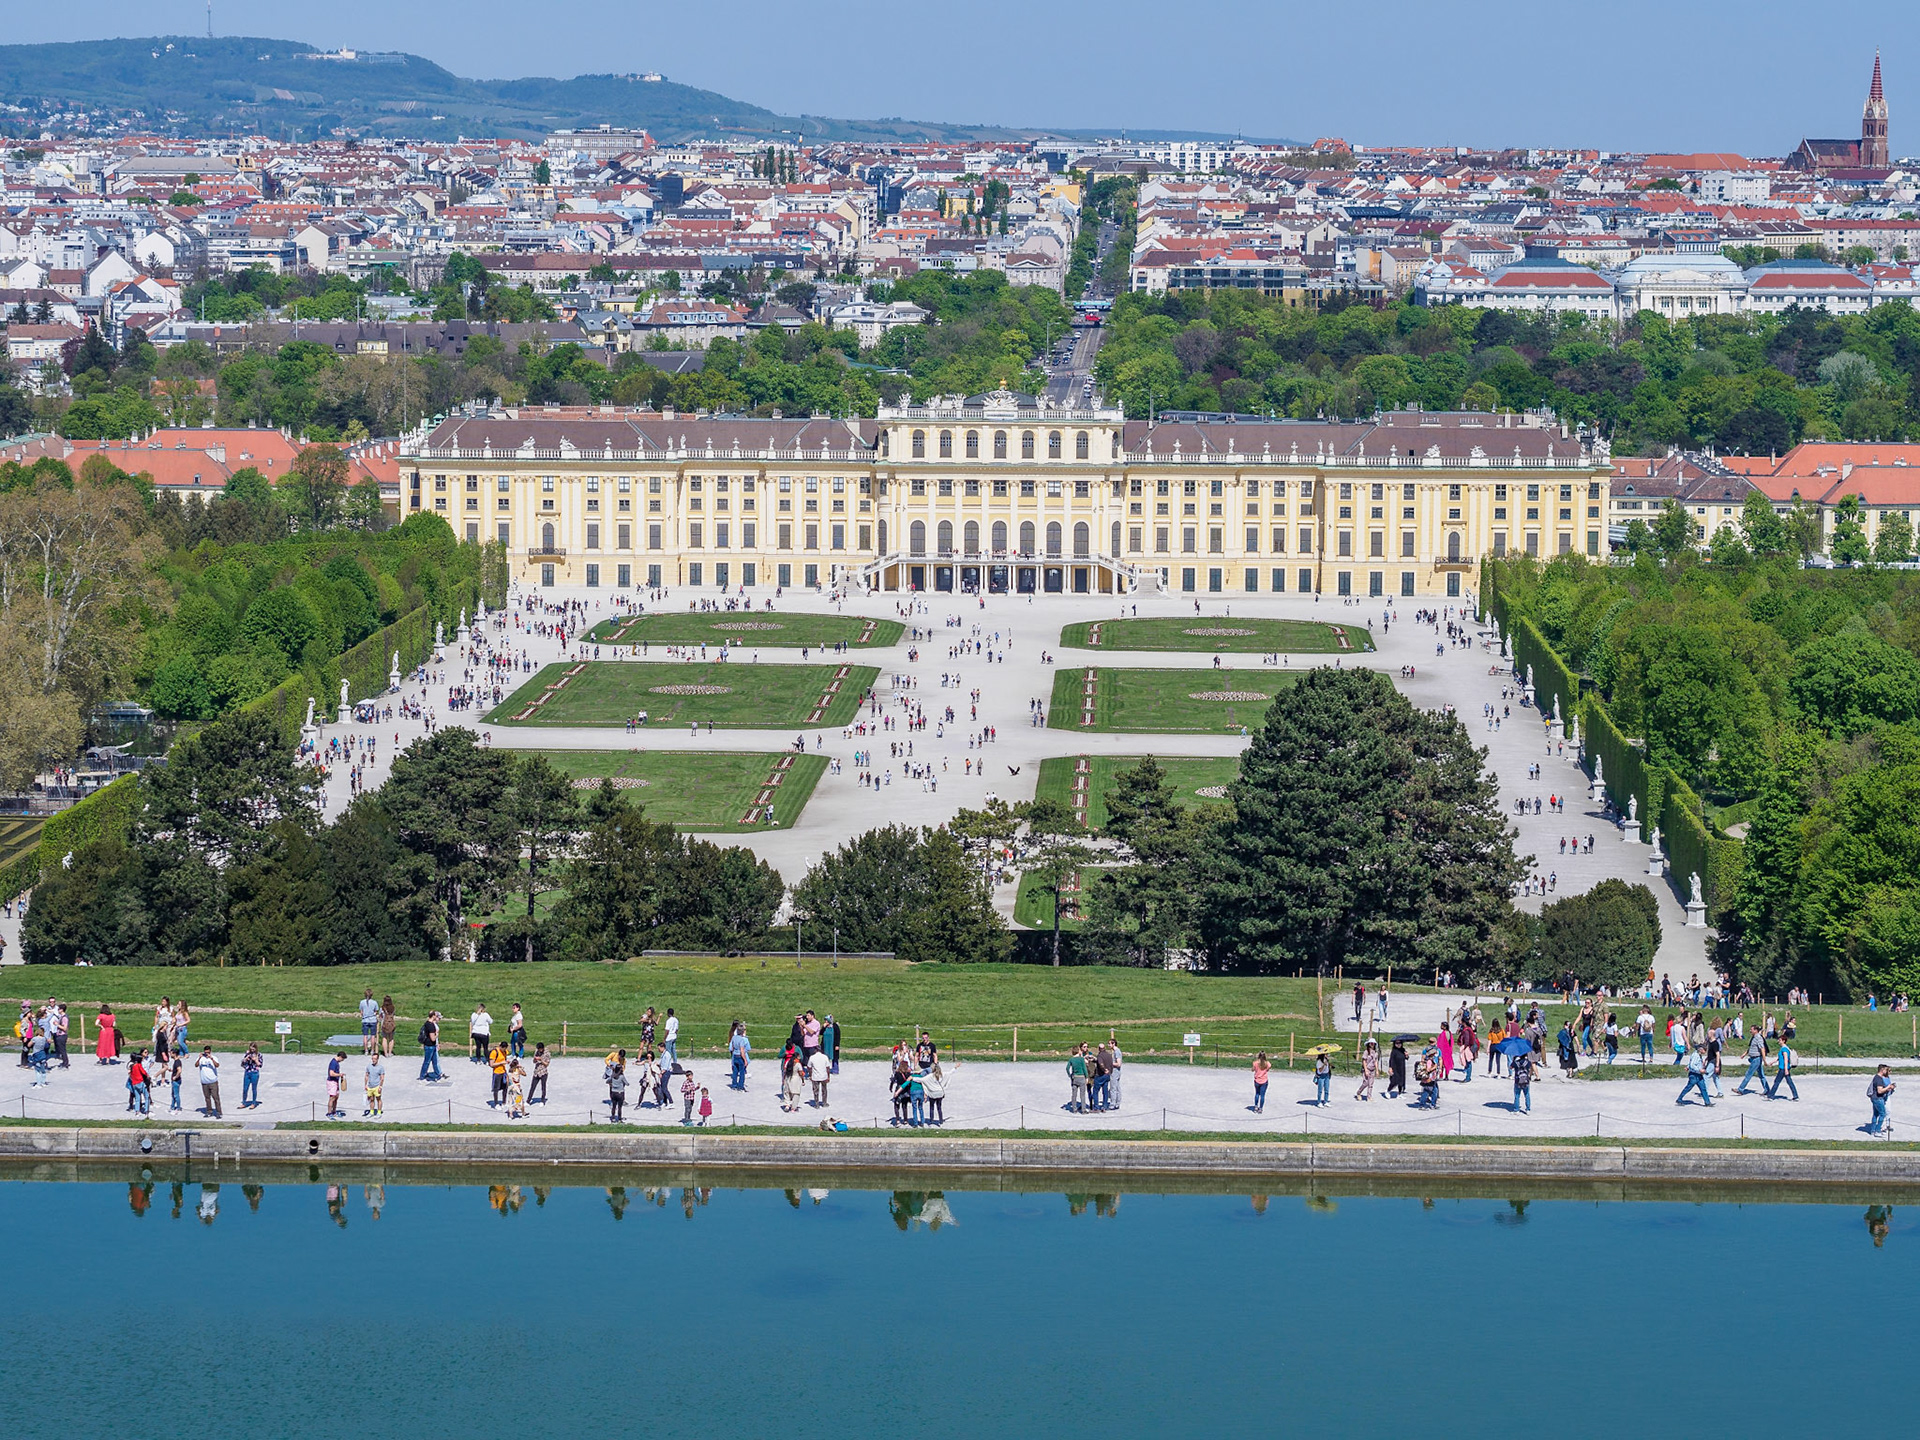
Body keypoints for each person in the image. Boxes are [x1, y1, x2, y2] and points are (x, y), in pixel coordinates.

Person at [1736, 1027, 1768, 1094]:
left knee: (1749, 1074)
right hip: (1754, 1058)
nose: (1750, 1030)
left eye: (1752, 1029)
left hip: (1757, 1058)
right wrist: (1744, 1054)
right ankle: (1767, 1089)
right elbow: (1751, 1047)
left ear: (1756, 1030)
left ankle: (1740, 1089)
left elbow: (1762, 1048)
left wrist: (1764, 1060)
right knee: (1761, 1075)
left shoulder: (1758, 1038)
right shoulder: (1754, 1037)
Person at [1869, 1065, 1896, 1136]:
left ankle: (1873, 1130)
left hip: (1874, 1098)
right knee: (1882, 1114)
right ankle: (1878, 1130)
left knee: (1875, 1114)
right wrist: (1888, 1087)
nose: (1886, 1071)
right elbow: (1880, 1091)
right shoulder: (1879, 1079)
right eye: (1885, 1070)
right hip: (1878, 1098)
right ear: (1882, 1070)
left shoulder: (1876, 1077)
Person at [418, 1011, 442, 1082]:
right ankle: (422, 1076)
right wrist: (437, 1034)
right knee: (427, 1061)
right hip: (430, 1046)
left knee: (435, 1061)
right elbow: (433, 1038)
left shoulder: (426, 1023)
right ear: (433, 1016)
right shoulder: (431, 1026)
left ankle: (438, 1075)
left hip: (431, 1045)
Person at [1067, 1045, 1089, 1113]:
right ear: (1078, 1051)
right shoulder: (1081, 1059)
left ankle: (1074, 1109)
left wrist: (1070, 1075)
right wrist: (1087, 1077)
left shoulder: (1071, 1059)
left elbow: (1067, 1068)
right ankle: (1083, 1109)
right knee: (1082, 1094)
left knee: (1074, 1094)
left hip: (1075, 1078)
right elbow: (1084, 1069)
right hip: (1081, 1077)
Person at [729, 1021, 751, 1090]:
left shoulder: (733, 1038)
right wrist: (745, 1060)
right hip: (740, 1056)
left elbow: (732, 1048)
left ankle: (734, 1084)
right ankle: (740, 1086)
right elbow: (742, 1051)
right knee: (742, 1072)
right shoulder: (742, 1040)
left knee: (735, 1072)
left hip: (734, 1056)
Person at [240, 1043, 263, 1108]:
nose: (252, 1050)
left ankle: (253, 1103)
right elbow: (242, 1064)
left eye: (253, 1049)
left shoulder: (259, 1055)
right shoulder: (247, 1054)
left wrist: (255, 1060)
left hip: (254, 1073)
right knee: (245, 1089)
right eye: (251, 1049)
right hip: (247, 1072)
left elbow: (260, 1065)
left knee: (254, 1088)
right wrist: (245, 1059)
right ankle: (244, 1102)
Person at [1511, 1048, 1533, 1113]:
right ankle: (1528, 1109)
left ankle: (1516, 1109)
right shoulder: (1527, 1062)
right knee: (1527, 1094)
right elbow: (1530, 1068)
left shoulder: (1516, 1062)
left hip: (1518, 1081)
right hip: (1526, 1080)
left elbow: (1511, 1067)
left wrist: (1514, 1059)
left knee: (1517, 1095)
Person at [488, 1040, 509, 1106]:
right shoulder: (494, 1052)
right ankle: (496, 1103)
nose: (504, 1050)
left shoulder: (505, 1052)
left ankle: (504, 1102)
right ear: (500, 1047)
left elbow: (504, 1059)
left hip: (503, 1071)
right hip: (497, 1072)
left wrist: (506, 1062)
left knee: (505, 1087)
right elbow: (491, 1064)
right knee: (496, 1089)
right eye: (503, 1049)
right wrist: (501, 1063)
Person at [605, 1054, 627, 1121]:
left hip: (615, 1081)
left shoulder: (624, 1060)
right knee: (619, 1107)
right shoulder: (614, 1055)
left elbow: (624, 1067)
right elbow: (606, 1060)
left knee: (614, 1107)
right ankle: (619, 1118)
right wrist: (610, 1066)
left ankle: (613, 1118)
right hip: (619, 1092)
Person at [359, 989, 380, 1055]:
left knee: (365, 1036)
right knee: (373, 1036)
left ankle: (366, 1050)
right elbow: (376, 1011)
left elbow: (361, 1012)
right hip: (373, 1020)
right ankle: (372, 1050)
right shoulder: (374, 1002)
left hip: (365, 1020)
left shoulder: (362, 1002)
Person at [325, 1052, 345, 1118]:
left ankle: (334, 1111)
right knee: (332, 1098)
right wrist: (340, 1074)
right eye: (342, 1059)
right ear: (340, 1057)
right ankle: (329, 1113)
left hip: (335, 1081)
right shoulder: (333, 1063)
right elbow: (331, 1073)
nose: (342, 1061)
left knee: (336, 1097)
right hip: (331, 1082)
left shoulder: (337, 1063)